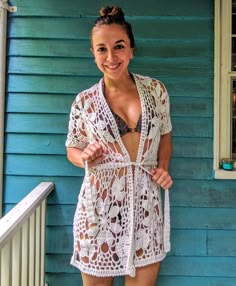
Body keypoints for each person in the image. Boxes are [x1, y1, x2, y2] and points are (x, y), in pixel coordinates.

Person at [65, 6, 173, 286]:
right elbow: (72, 149)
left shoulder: (156, 91)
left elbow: (165, 135)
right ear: (93, 53)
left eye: (119, 47)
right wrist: (83, 156)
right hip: (98, 210)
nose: (111, 57)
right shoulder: (84, 102)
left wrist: (162, 168)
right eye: (102, 49)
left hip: (146, 206)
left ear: (131, 50)